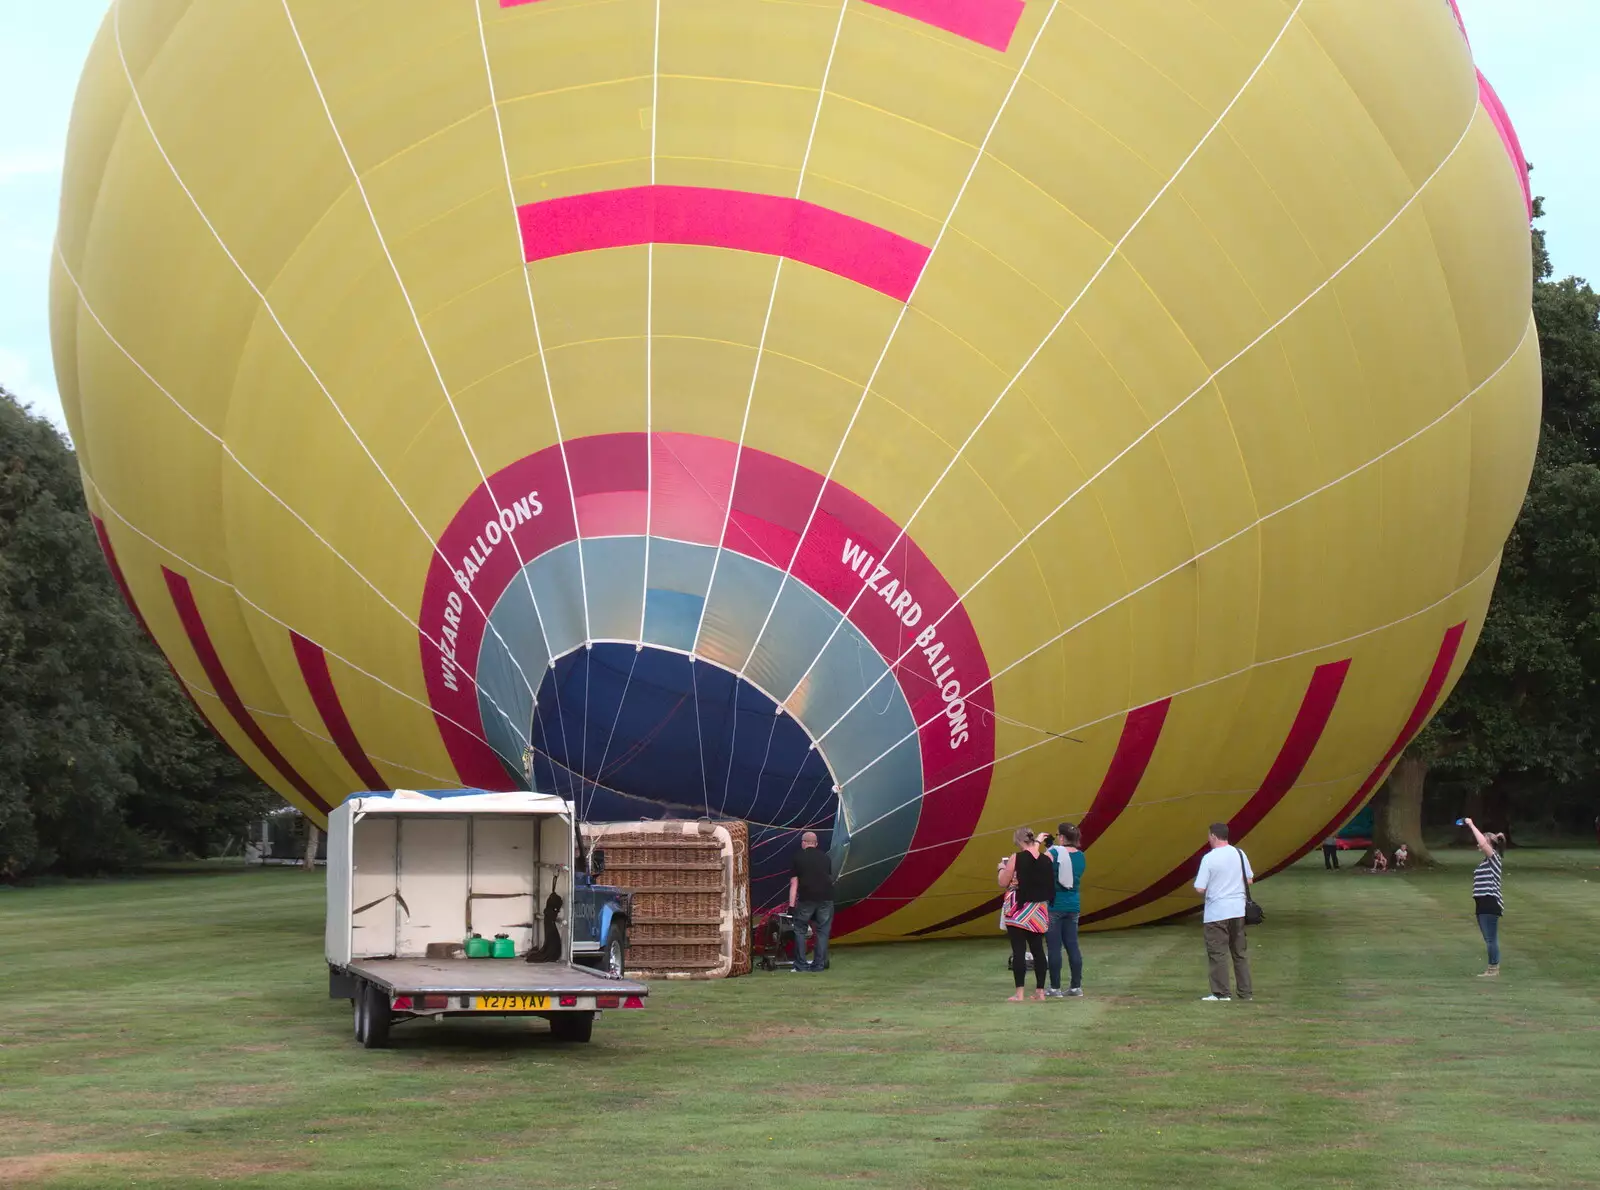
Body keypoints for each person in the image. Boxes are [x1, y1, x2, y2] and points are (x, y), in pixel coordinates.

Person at [1193, 822, 1254, 1002]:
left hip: (1217, 912)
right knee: (1239, 953)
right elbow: (1249, 879)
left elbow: (1199, 888)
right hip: (1237, 910)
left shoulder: (1209, 858)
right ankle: (1245, 992)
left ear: (1213, 836)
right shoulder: (1239, 854)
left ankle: (1221, 993)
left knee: (1217, 953)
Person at [997, 827, 1052, 1002]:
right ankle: (1040, 991)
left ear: (1019, 841)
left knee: (1019, 951)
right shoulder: (1047, 858)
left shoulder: (1016, 858)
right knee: (1038, 950)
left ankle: (1019, 993)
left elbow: (1003, 882)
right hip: (1038, 909)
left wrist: (1001, 869)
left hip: (1018, 908)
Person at [1045, 822, 1087, 998]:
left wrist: (1045, 846)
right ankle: (1076, 986)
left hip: (1055, 905)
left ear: (1061, 837)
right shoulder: (1081, 856)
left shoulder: (1054, 852)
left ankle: (1055, 988)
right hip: (1073, 905)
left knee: (1054, 948)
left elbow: (1041, 864)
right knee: (1072, 945)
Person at [1463, 817, 1505, 977]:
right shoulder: (1486, 862)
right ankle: (1491, 967)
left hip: (1490, 901)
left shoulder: (1493, 858)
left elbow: (1482, 844)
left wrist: (1471, 824)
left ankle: (1493, 968)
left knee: (1490, 938)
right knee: (1488, 938)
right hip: (1482, 903)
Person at [787, 831, 834, 973]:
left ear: (803, 843)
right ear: (816, 843)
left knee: (800, 929)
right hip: (827, 898)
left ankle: (801, 965)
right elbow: (829, 878)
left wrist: (791, 905)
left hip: (807, 898)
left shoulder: (798, 857)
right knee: (822, 931)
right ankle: (818, 965)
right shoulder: (826, 858)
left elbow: (794, 883)